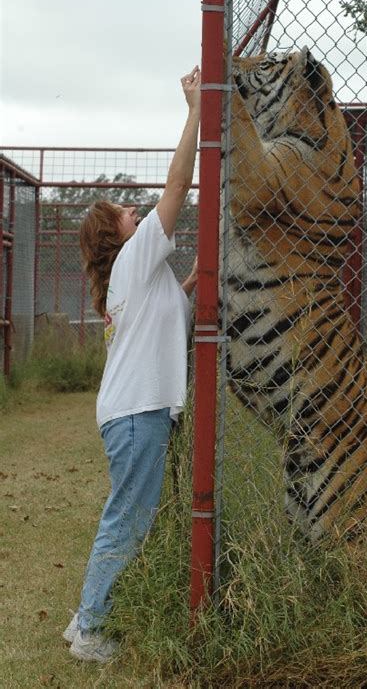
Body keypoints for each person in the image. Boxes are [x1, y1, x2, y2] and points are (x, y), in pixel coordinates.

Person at [64, 66, 201, 663]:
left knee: (126, 514)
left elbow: (167, 313)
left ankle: (82, 619)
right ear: (116, 236)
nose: (135, 211)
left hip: (133, 411)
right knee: (128, 518)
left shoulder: (138, 274)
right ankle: (90, 628)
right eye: (124, 210)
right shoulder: (137, 256)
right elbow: (176, 187)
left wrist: (196, 282)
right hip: (138, 412)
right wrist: (195, 111)